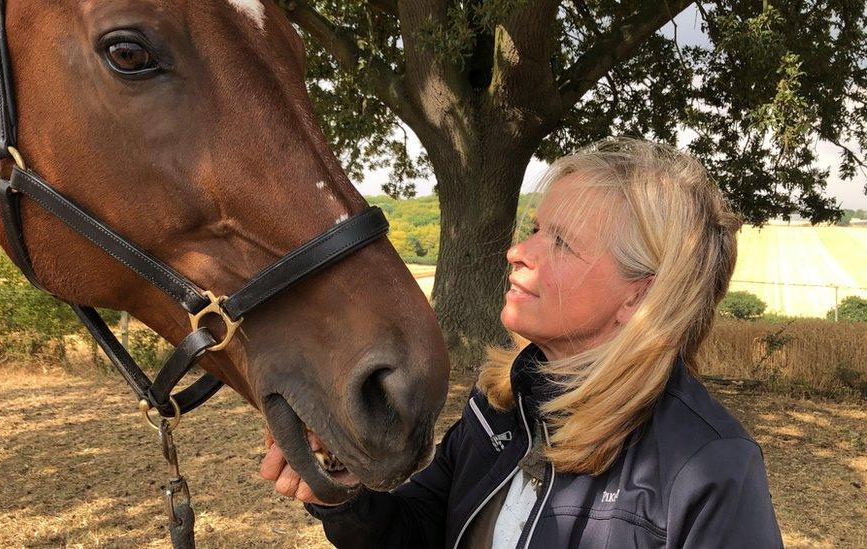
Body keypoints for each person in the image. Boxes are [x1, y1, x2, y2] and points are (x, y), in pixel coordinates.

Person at [260, 138, 784, 548]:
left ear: (637, 296)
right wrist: (341, 491)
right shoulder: (500, 406)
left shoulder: (707, 468)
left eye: (560, 242)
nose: (516, 251)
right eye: (535, 228)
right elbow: (419, 532)